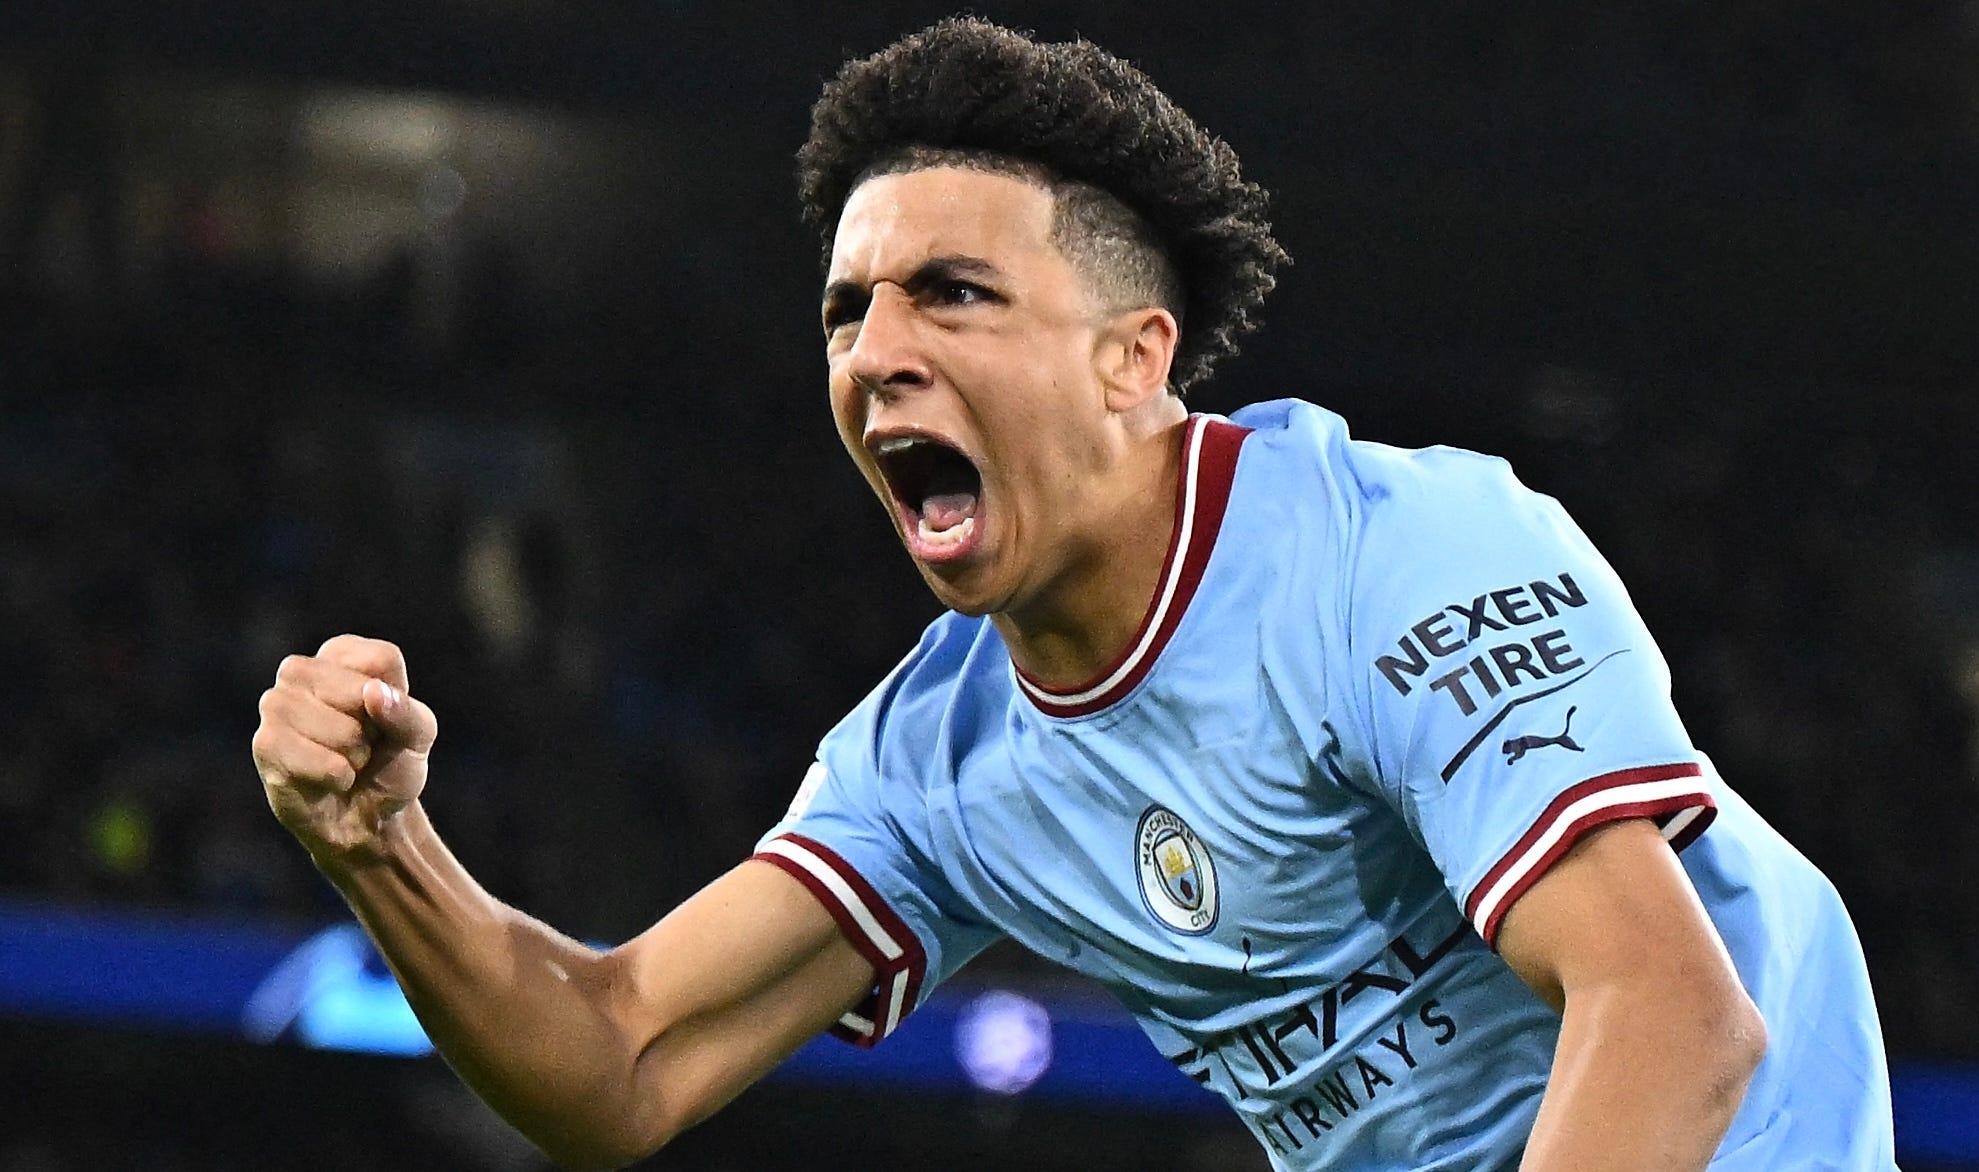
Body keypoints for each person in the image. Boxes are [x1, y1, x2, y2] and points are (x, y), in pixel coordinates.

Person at [251, 18, 1896, 1171]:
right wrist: (382, 853)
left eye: (953, 294)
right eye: (847, 311)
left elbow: (1678, 1018)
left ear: (1134, 358)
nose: (878, 349)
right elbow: (616, 1063)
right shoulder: (942, 762)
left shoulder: (1397, 555)